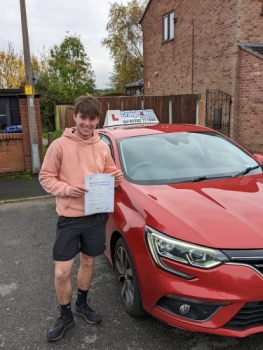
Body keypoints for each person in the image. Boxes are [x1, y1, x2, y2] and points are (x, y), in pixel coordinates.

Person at [39, 95, 124, 342]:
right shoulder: (59, 145)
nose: (87, 123)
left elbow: (108, 172)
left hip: (96, 215)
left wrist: (115, 176)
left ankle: (82, 304)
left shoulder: (102, 146)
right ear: (74, 116)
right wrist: (66, 189)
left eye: (92, 118)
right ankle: (65, 316)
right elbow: (46, 177)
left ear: (98, 119)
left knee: (88, 263)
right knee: (61, 273)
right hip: (70, 218)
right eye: (83, 117)